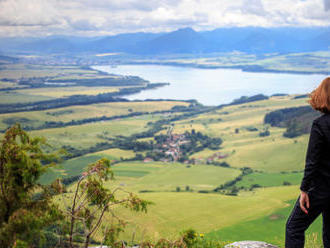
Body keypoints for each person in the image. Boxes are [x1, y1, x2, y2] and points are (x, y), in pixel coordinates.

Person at [286, 77, 330, 248]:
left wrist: (304, 190)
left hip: (319, 189)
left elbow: (312, 162)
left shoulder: (320, 124)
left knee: (294, 227)